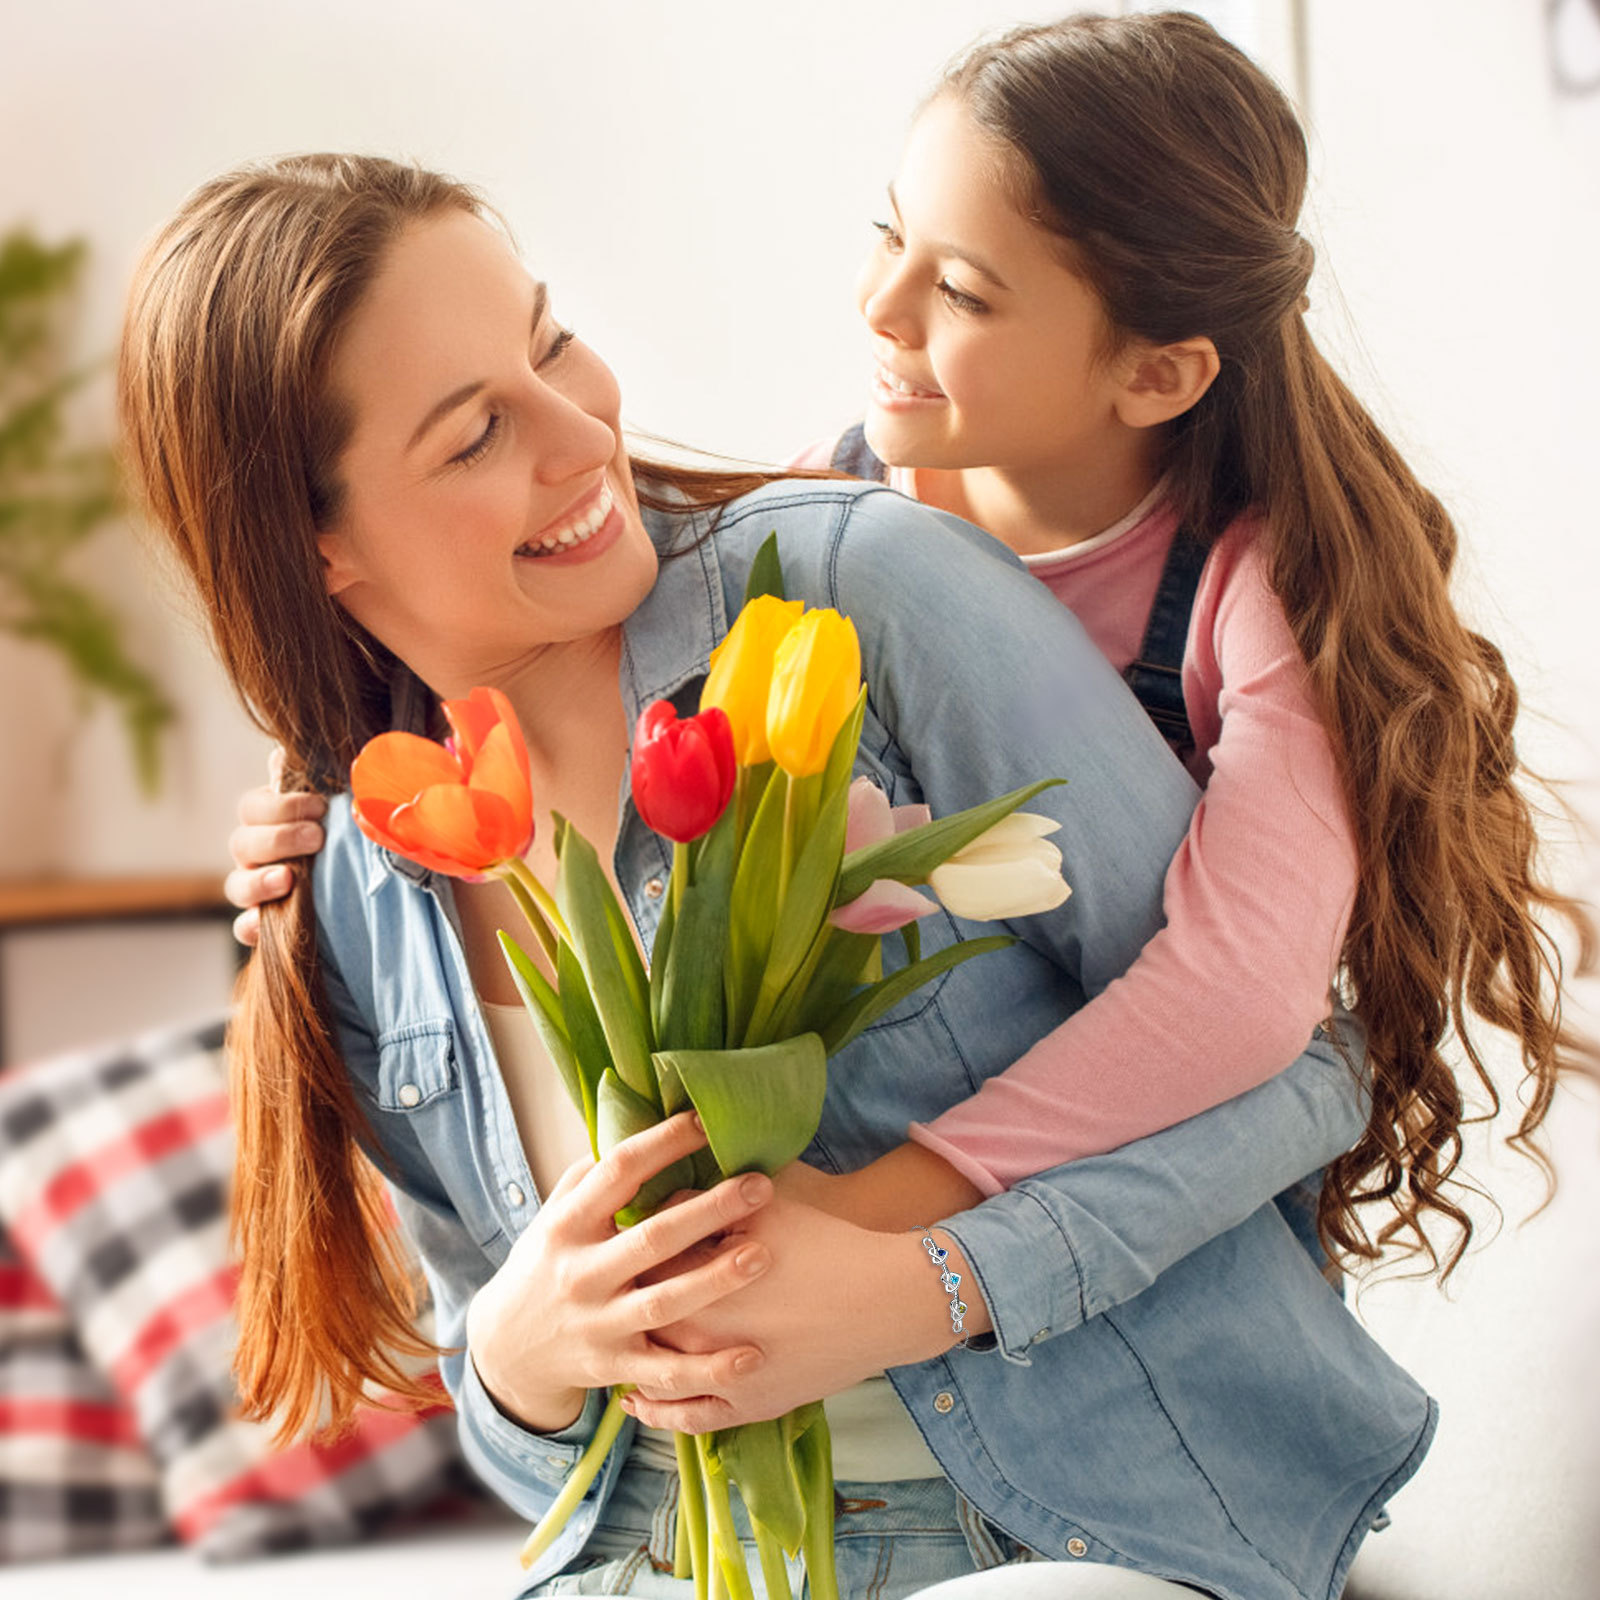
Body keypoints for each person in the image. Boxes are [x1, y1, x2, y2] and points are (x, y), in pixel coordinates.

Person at [121, 154, 1432, 1598]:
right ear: (315, 546)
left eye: (550, 338)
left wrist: (928, 1282)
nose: (583, 436)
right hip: (671, 1557)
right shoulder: (362, 875)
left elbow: (1295, 1064)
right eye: (477, 432)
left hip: (1075, 1529)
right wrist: (522, 1351)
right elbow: (529, 1452)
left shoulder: (856, 599)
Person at [229, 12, 1594, 1286]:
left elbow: (1243, 999)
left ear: (1157, 375)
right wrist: (328, 779)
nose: (883, 306)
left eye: (966, 292)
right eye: (890, 236)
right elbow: (522, 589)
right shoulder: (835, 517)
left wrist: (892, 1209)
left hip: (1140, 1199)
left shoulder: (1254, 591)